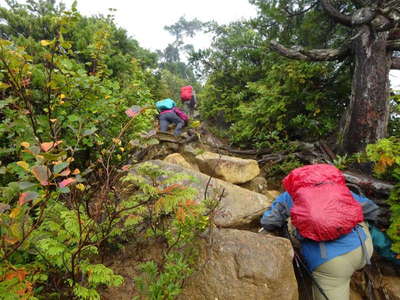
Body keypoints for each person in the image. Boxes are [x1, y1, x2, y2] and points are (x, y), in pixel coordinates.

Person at [260, 164, 380, 300]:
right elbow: (372, 211)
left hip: (330, 263)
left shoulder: (289, 196)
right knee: (359, 218)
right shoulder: (338, 189)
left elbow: (269, 221)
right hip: (363, 249)